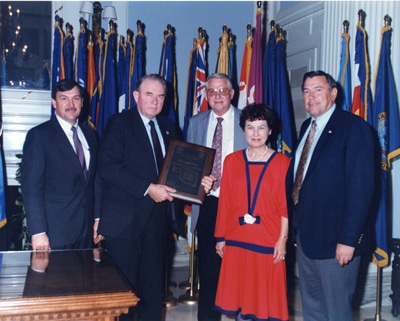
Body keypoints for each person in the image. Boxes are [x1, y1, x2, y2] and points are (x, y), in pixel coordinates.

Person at [286, 70, 376, 321]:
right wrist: (295, 229)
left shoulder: (354, 128)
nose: (311, 96)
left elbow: (361, 190)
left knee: (337, 311)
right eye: (306, 91)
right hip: (306, 238)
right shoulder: (307, 127)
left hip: (337, 241)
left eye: (318, 90)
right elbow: (301, 180)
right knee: (313, 308)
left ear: (333, 94)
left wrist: (349, 240)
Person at [96, 74, 178, 321]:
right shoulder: (119, 123)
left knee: (153, 292)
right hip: (125, 224)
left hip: (157, 222)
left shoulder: (168, 127)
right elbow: (108, 167)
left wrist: (198, 183)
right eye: (149, 94)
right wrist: (147, 188)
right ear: (136, 96)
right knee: (125, 294)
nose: (155, 101)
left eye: (160, 96)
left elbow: (176, 170)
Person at [213, 103, 290, 321]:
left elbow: (285, 207)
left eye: (261, 127)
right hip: (237, 240)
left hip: (268, 241)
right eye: (250, 127)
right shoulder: (232, 160)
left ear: (270, 130)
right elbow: (225, 202)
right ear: (243, 129)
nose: (256, 133)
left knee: (265, 305)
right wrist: (221, 237)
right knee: (241, 304)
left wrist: (282, 239)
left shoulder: (283, 163)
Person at [186, 73, 248, 321]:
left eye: (223, 90)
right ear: (207, 95)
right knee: (209, 273)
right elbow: (190, 167)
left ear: (232, 94)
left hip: (242, 206)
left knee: (242, 272)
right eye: (212, 91)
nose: (218, 95)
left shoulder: (248, 120)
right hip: (209, 206)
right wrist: (197, 181)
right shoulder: (196, 122)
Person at [21, 79, 100, 251]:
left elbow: (95, 180)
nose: (71, 104)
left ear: (82, 102)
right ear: (54, 103)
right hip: (54, 233)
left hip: (86, 231)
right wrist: (38, 232)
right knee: (57, 278)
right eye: (64, 98)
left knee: (85, 278)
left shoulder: (90, 134)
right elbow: (31, 187)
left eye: (76, 98)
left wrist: (97, 217)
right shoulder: (39, 136)